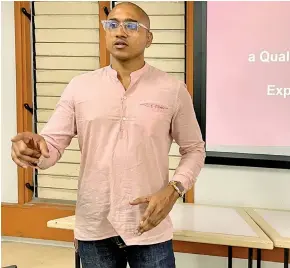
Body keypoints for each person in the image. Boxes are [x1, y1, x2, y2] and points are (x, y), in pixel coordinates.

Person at [11, 2, 205, 267]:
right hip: (94, 227)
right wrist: (35, 150)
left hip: (149, 227)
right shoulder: (80, 87)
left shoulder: (172, 89)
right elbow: (51, 147)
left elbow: (194, 149)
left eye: (131, 25)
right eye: (112, 24)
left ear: (149, 38)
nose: (120, 32)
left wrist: (173, 190)